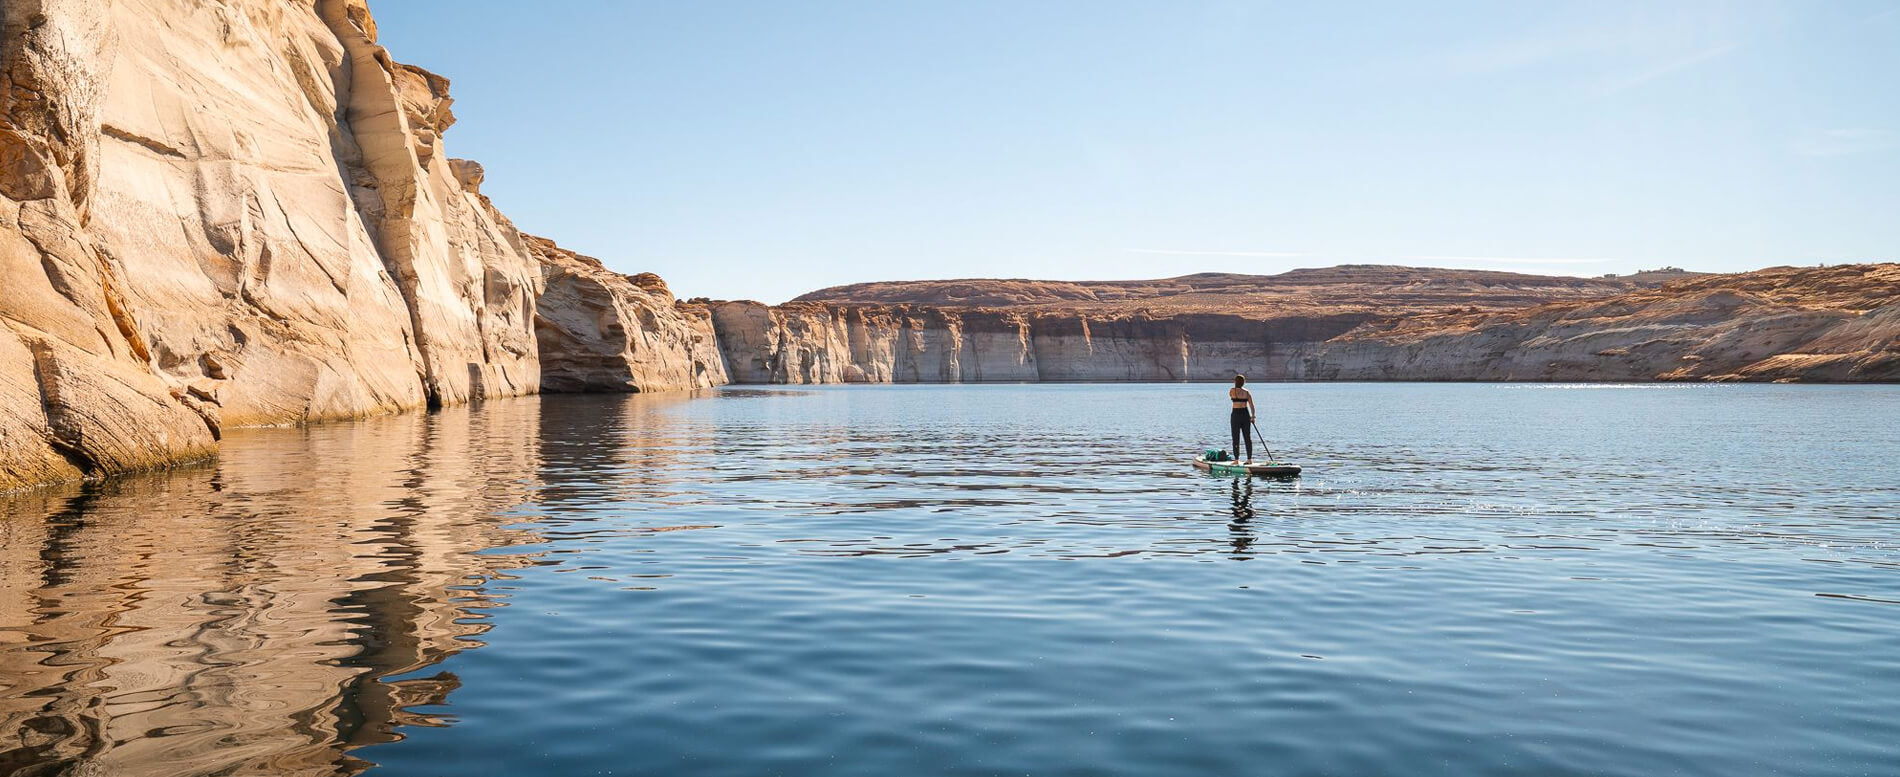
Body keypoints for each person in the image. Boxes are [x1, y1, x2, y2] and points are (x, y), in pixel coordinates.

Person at [1229, 374, 1256, 463]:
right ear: (1244, 382)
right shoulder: (1247, 392)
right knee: (1247, 437)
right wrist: (1253, 416)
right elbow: (1251, 405)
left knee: (1235, 437)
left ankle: (1236, 459)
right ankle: (1249, 459)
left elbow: (1232, 396)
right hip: (1245, 414)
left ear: (1235, 382)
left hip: (1236, 414)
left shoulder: (1232, 391)